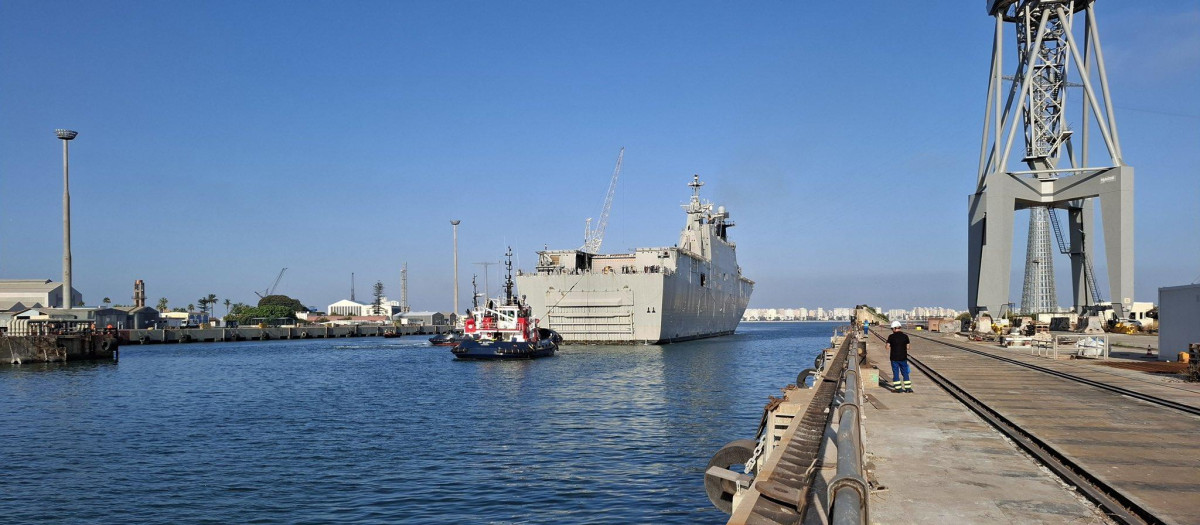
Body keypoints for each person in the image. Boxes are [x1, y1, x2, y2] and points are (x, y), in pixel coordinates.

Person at [885, 321, 913, 393]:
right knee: (905, 373)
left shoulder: (891, 337)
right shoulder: (905, 336)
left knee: (896, 373)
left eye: (892, 329)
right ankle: (908, 389)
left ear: (894, 328)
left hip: (894, 358)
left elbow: (887, 347)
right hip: (903, 358)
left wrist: (892, 345)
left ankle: (898, 389)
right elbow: (908, 347)